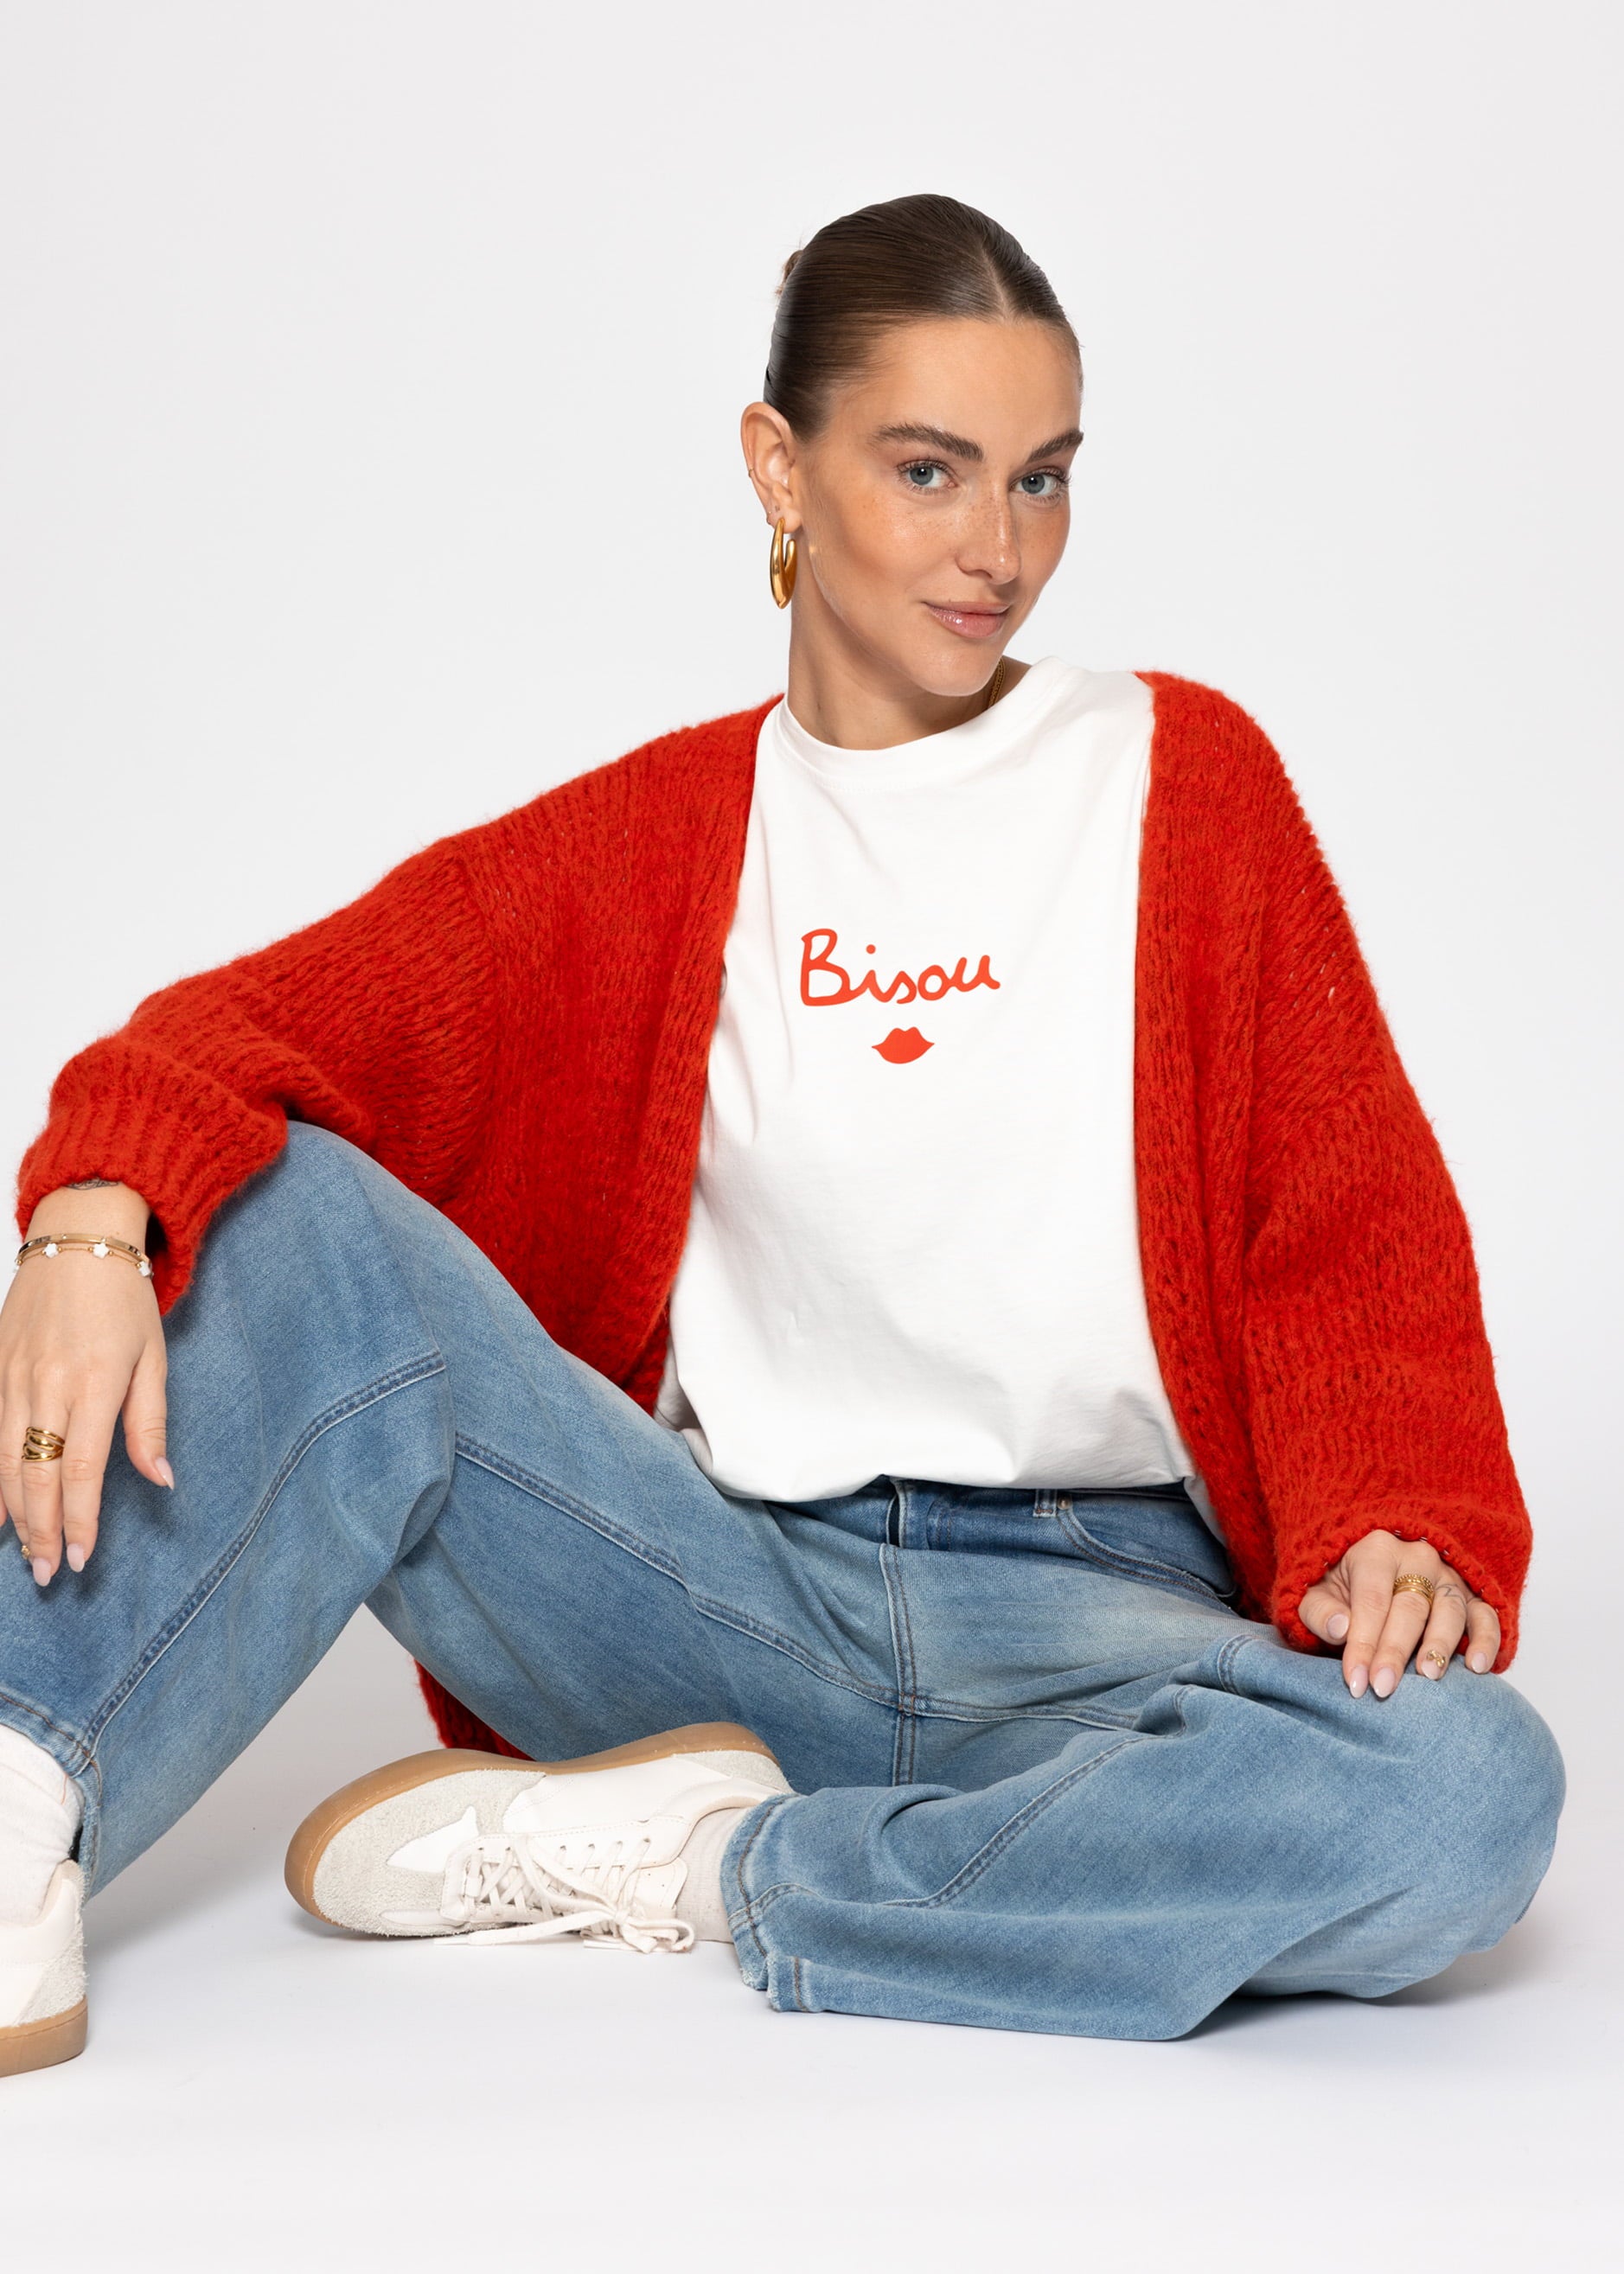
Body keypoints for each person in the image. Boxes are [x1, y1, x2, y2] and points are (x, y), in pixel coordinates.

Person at [0, 195, 1563, 2073]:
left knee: (1464, 1791)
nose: (998, 549)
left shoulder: (1182, 782)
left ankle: (711, 1865)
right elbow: (221, 1043)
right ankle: (18, 1800)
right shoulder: (650, 845)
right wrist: (89, 1217)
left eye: (1044, 479)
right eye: (929, 469)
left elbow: (1346, 1220)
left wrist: (1397, 1522)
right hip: (708, 1592)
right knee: (289, 1222)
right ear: (779, 466)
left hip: (1096, 1639)